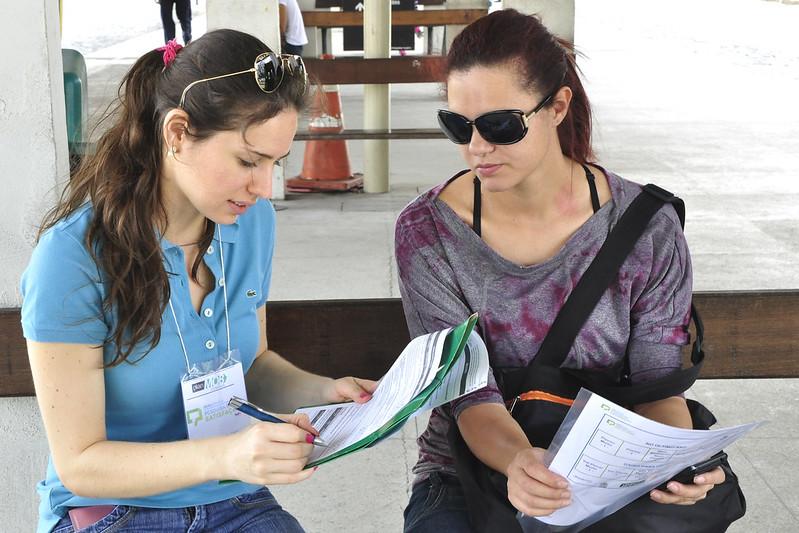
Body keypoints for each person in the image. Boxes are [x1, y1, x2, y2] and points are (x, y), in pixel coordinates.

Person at [22, 29, 376, 533]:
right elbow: (81, 462)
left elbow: (252, 366)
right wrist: (228, 456)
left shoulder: (251, 223)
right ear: (177, 133)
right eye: (248, 161)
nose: (264, 187)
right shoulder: (73, 257)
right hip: (114, 513)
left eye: (276, 164)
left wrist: (327, 392)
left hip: (234, 504)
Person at [394, 9, 727, 532]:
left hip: (611, 469)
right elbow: (467, 396)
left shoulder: (646, 226)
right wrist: (519, 463)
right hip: (470, 469)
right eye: (458, 126)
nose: (476, 148)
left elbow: (657, 386)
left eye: (501, 126)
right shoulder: (429, 232)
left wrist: (673, 465)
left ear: (557, 107)